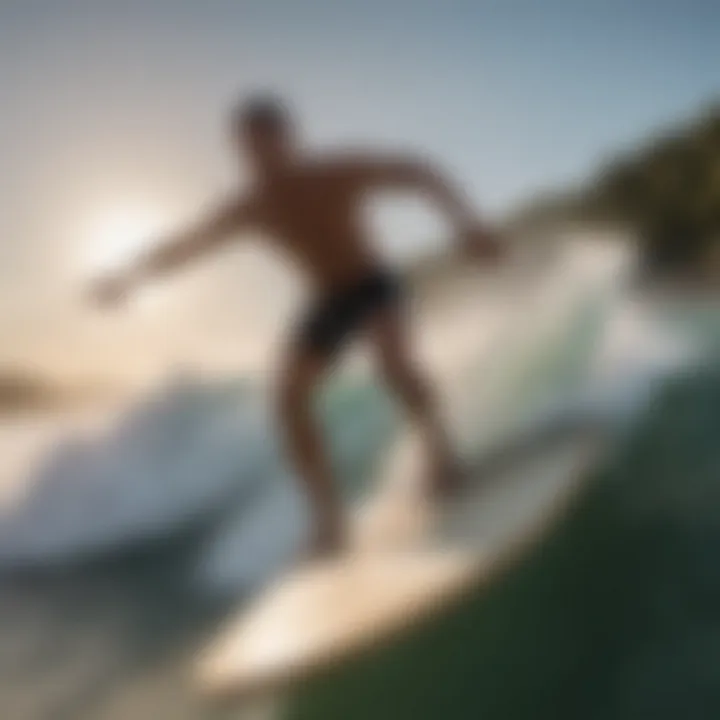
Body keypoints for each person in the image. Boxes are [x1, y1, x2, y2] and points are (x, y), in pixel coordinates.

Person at [91, 94, 503, 557]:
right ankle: (330, 519)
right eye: (246, 148)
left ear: (287, 138)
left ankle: (443, 457)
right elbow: (185, 245)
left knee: (392, 361)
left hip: (373, 283)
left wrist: (467, 225)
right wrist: (127, 279)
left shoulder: (335, 171)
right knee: (287, 398)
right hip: (327, 301)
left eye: (264, 143)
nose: (256, 156)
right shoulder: (250, 206)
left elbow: (420, 172)